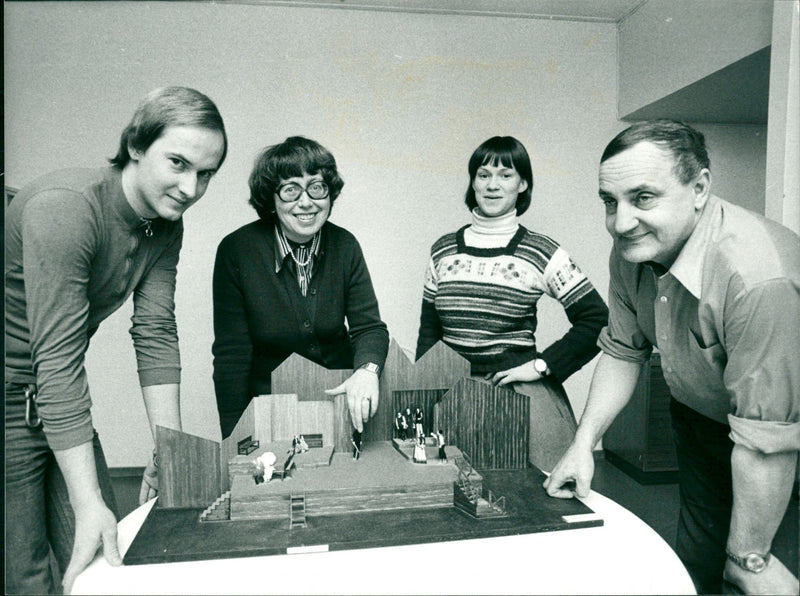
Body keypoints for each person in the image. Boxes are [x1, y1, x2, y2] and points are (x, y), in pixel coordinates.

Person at [544, 120, 799, 595]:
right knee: (698, 561)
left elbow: (768, 441)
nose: (620, 223)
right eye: (609, 201)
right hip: (703, 421)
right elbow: (623, 351)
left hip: (781, 443)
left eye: (643, 198)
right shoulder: (630, 252)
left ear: (699, 187)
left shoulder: (756, 278)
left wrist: (750, 558)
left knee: (759, 573)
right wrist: (583, 445)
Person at [5, 86, 227, 595]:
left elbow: (155, 332)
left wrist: (169, 450)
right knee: (27, 579)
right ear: (135, 145)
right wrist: (86, 503)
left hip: (53, 402)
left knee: (105, 565)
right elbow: (57, 362)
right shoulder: (65, 208)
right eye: (177, 163)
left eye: (206, 174)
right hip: (20, 395)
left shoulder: (165, 225)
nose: (190, 187)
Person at [415, 136, 608, 471]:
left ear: (523, 184)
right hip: (454, 393)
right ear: (472, 182)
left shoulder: (540, 251)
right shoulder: (442, 250)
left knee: (538, 493)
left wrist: (542, 366)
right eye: (483, 174)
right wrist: (424, 390)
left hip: (518, 393)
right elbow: (429, 331)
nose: (492, 185)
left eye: (505, 175)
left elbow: (598, 319)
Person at [212, 136, 389, 439]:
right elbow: (232, 356)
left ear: (330, 194)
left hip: (341, 405)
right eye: (291, 189)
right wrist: (234, 438)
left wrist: (367, 371)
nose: (306, 202)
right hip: (271, 413)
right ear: (271, 197)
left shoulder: (346, 245)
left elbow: (369, 328)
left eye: (317, 187)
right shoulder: (236, 250)